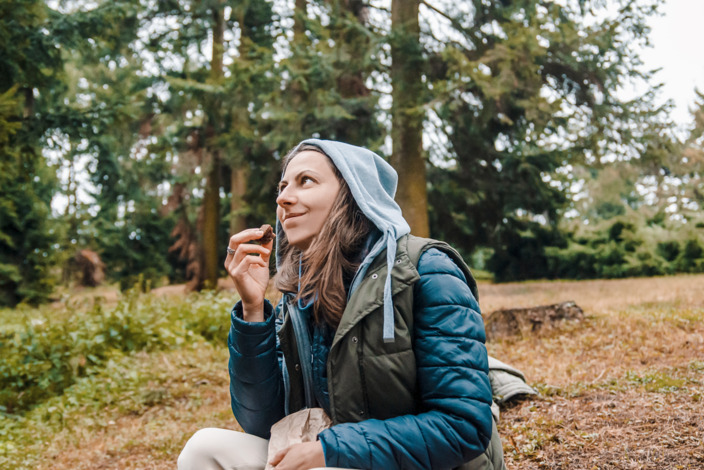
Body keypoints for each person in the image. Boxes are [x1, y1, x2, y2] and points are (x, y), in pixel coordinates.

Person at [178, 139, 506, 470]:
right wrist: (252, 311)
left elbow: (463, 427)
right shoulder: (301, 293)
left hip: (426, 465)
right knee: (203, 448)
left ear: (354, 194)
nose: (283, 198)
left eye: (305, 181)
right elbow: (262, 421)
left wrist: (330, 449)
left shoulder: (427, 270)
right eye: (282, 186)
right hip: (339, 458)